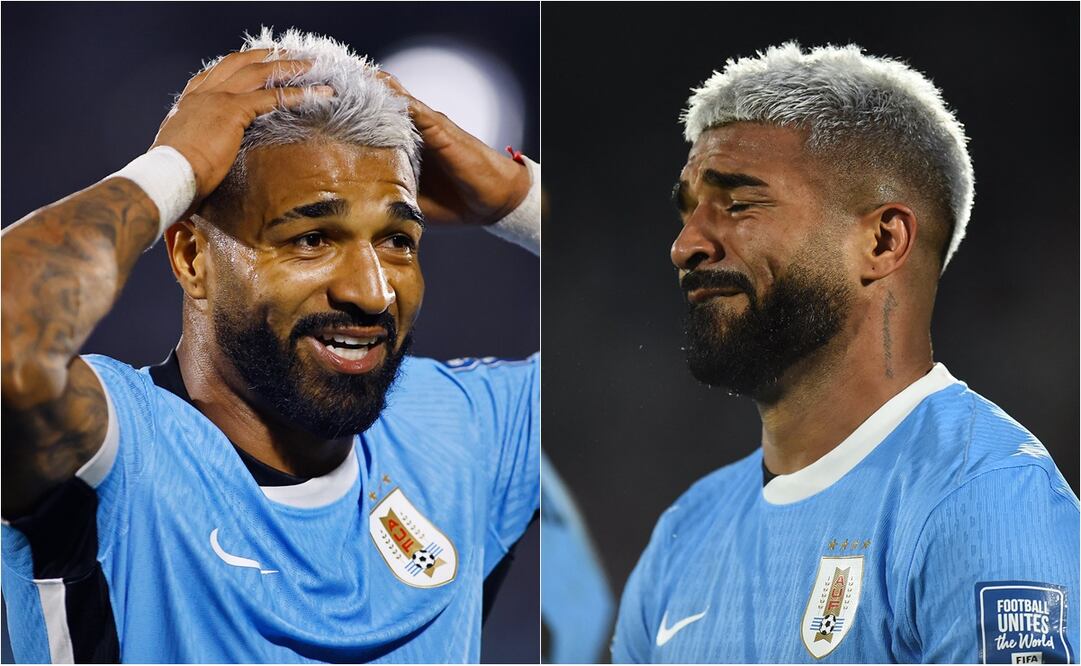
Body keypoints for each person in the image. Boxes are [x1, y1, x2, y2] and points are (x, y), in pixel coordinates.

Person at [1, 28, 539, 663]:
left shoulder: (464, 430)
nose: (371, 293)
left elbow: (680, 289)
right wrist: (173, 168)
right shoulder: (116, 460)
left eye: (397, 240)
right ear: (193, 256)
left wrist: (518, 199)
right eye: (312, 238)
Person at [611, 43, 1079, 664]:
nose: (685, 245)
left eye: (739, 203)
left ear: (883, 242)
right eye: (690, 211)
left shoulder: (982, 499)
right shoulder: (683, 533)